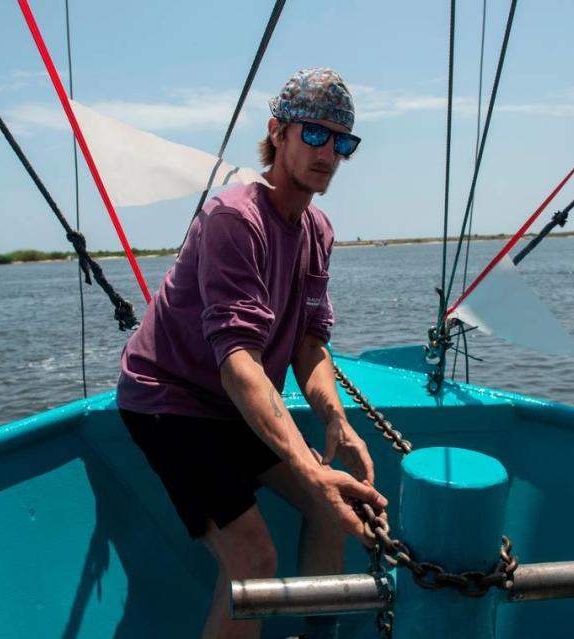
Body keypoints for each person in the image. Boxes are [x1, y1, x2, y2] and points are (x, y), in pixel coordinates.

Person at [116, 67, 386, 639]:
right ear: (278, 132)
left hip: (230, 405)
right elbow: (240, 362)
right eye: (313, 134)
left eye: (342, 142)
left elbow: (311, 343)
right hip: (171, 401)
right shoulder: (235, 218)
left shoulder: (317, 229)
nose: (328, 153)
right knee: (254, 563)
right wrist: (308, 466)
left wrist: (335, 422)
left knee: (329, 509)